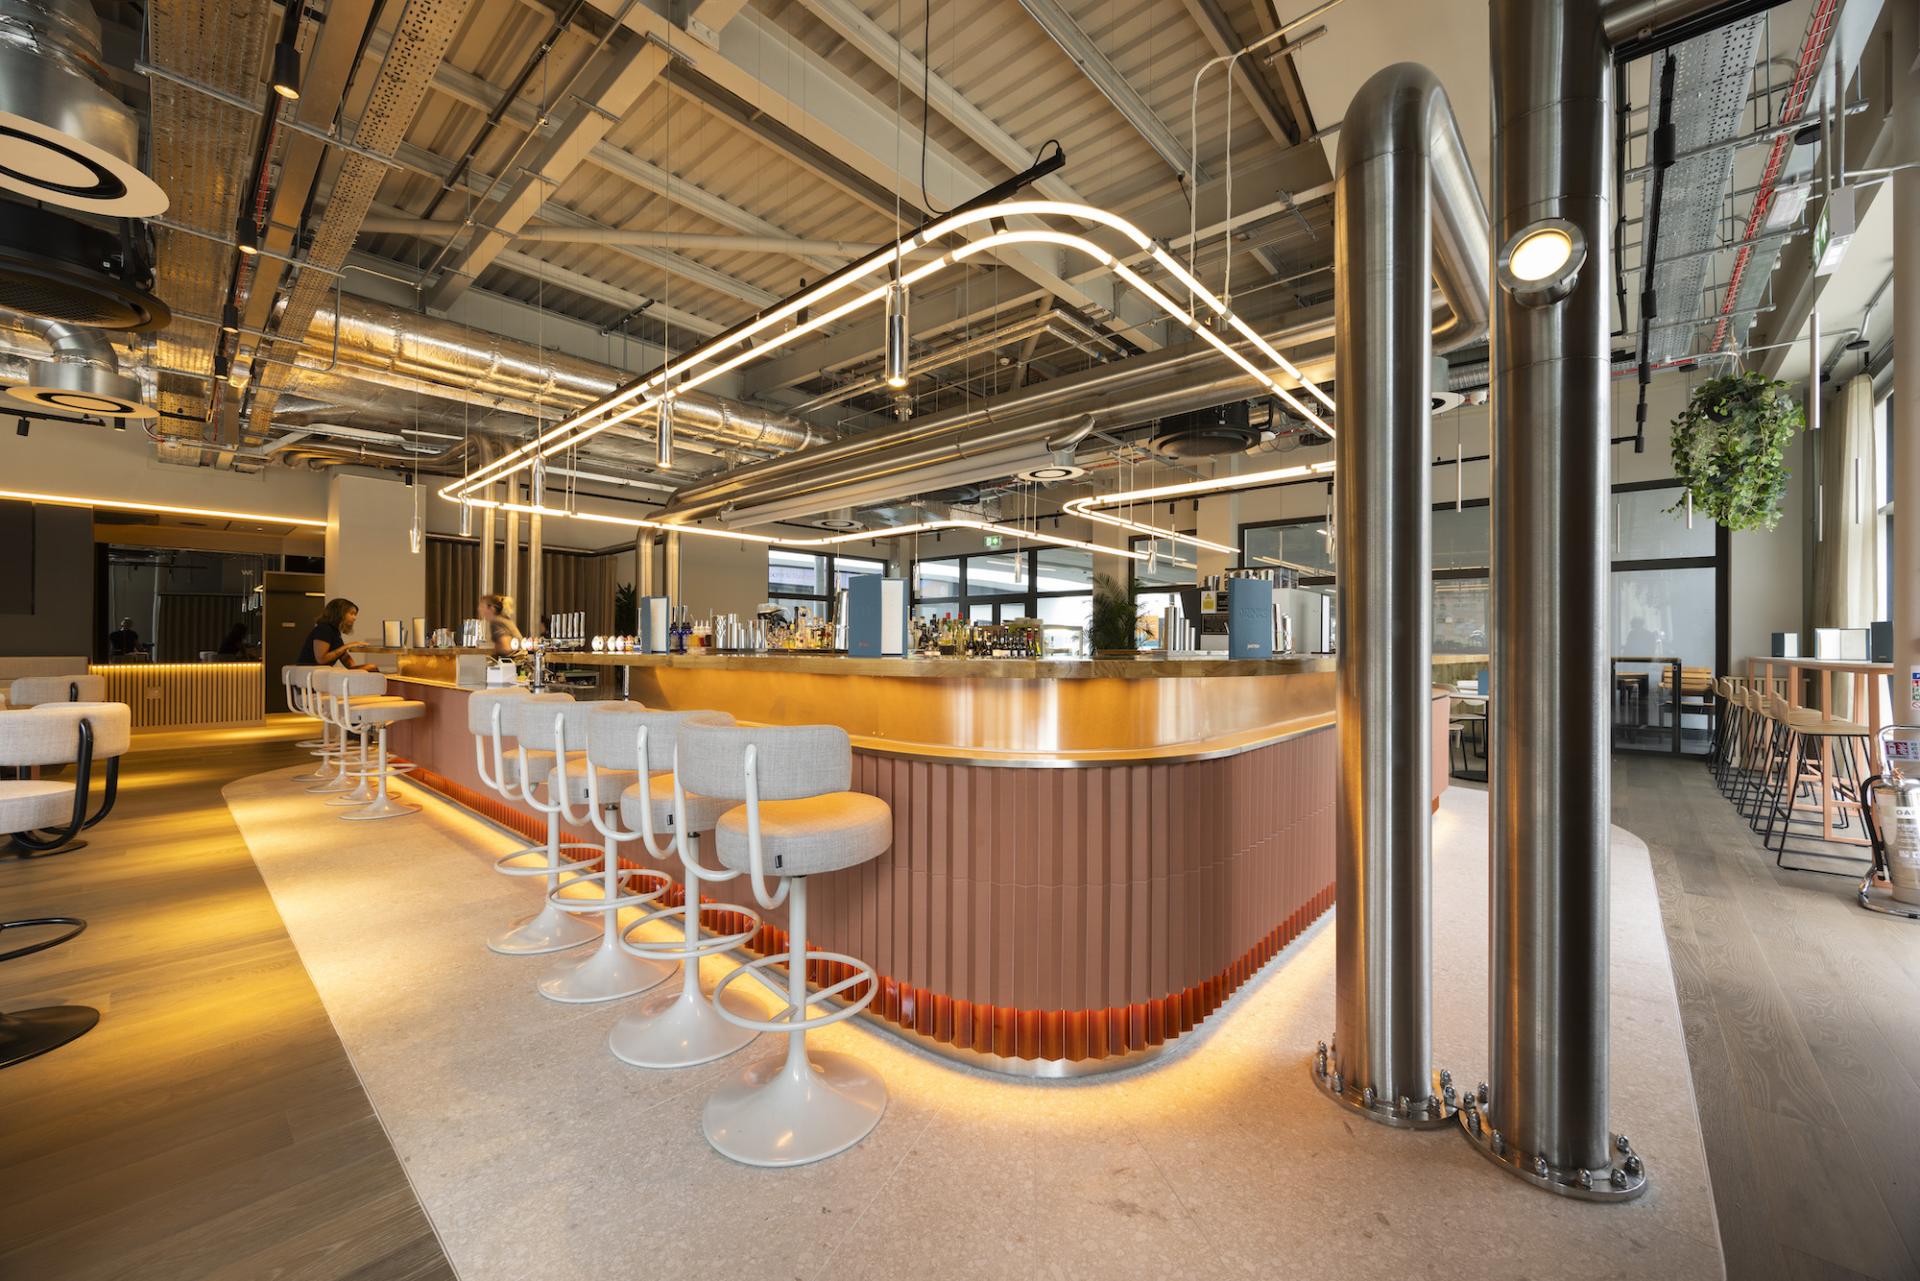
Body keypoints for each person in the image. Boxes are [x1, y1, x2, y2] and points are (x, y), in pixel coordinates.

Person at [303, 597, 378, 671]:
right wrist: (347, 646)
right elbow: (321, 659)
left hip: (322, 672)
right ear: (340, 613)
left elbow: (345, 660)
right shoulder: (324, 629)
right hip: (311, 673)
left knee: (371, 667)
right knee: (372, 668)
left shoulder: (334, 631)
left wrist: (356, 670)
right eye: (352, 614)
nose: (354, 618)